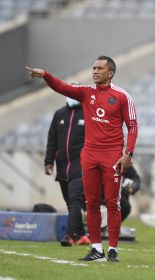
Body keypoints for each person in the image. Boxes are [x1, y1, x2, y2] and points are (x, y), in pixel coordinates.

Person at [26, 55, 138, 262]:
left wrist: (128, 154)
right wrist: (46, 76)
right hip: (89, 156)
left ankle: (113, 249)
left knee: (113, 204)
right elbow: (62, 88)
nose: (94, 71)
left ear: (110, 73)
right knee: (92, 202)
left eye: (99, 68)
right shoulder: (86, 93)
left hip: (112, 156)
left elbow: (132, 126)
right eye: (93, 68)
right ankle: (96, 249)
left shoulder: (122, 96)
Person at [45, 96, 90, 246]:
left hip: (80, 164)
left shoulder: (87, 113)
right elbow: (52, 139)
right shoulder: (59, 114)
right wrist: (49, 161)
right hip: (62, 165)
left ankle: (69, 236)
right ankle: (82, 235)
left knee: (74, 198)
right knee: (69, 201)